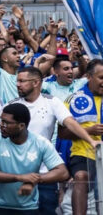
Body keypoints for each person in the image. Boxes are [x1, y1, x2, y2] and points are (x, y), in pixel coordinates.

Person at [13, 66, 98, 215]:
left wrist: (90, 140)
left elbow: (70, 122)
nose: (18, 85)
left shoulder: (52, 102)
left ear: (36, 82)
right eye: (17, 81)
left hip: (45, 173)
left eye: (22, 81)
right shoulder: (11, 106)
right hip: (17, 172)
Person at [0, 103, 69, 214]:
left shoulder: (40, 143)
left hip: (28, 208)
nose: (1, 125)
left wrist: (34, 180)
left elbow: (62, 172)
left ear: (21, 126)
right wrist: (20, 177)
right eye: (1, 120)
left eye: (6, 123)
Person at [60, 59, 103, 215]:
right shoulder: (73, 100)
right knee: (81, 176)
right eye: (101, 78)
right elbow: (62, 133)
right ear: (89, 77)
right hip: (84, 154)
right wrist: (89, 131)